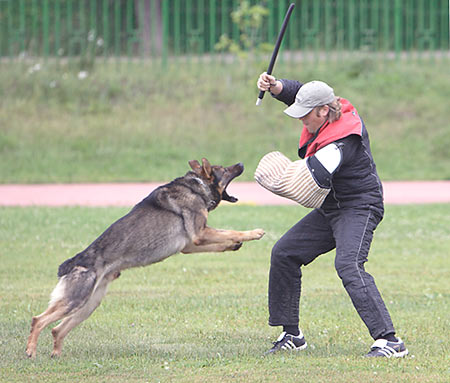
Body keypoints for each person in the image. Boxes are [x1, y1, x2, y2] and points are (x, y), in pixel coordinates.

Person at [255, 72, 408, 358]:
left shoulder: (343, 139)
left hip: (360, 206)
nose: (302, 121)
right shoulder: (326, 109)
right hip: (332, 207)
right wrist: (277, 87)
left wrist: (277, 179)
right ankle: (292, 335)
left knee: (348, 265)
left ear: (324, 111)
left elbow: (306, 185)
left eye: (305, 116)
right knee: (284, 253)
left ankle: (390, 341)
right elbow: (304, 92)